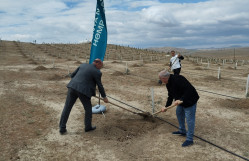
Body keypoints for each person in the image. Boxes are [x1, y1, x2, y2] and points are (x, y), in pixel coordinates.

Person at [59, 58, 109, 134]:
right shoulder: (97, 72)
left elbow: (72, 75)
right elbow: (100, 86)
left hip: (72, 87)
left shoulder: (82, 65)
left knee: (67, 107)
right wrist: (104, 97)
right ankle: (88, 127)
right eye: (101, 66)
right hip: (83, 91)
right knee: (88, 109)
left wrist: (79, 82)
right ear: (97, 64)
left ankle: (62, 128)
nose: (100, 68)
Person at [158, 70, 199, 147]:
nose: (160, 81)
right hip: (180, 101)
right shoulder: (168, 84)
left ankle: (189, 139)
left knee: (190, 120)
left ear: (164, 78)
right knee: (179, 114)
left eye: (160, 79)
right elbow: (170, 96)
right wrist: (166, 106)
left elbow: (189, 90)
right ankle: (182, 131)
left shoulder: (179, 79)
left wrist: (181, 99)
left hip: (190, 100)